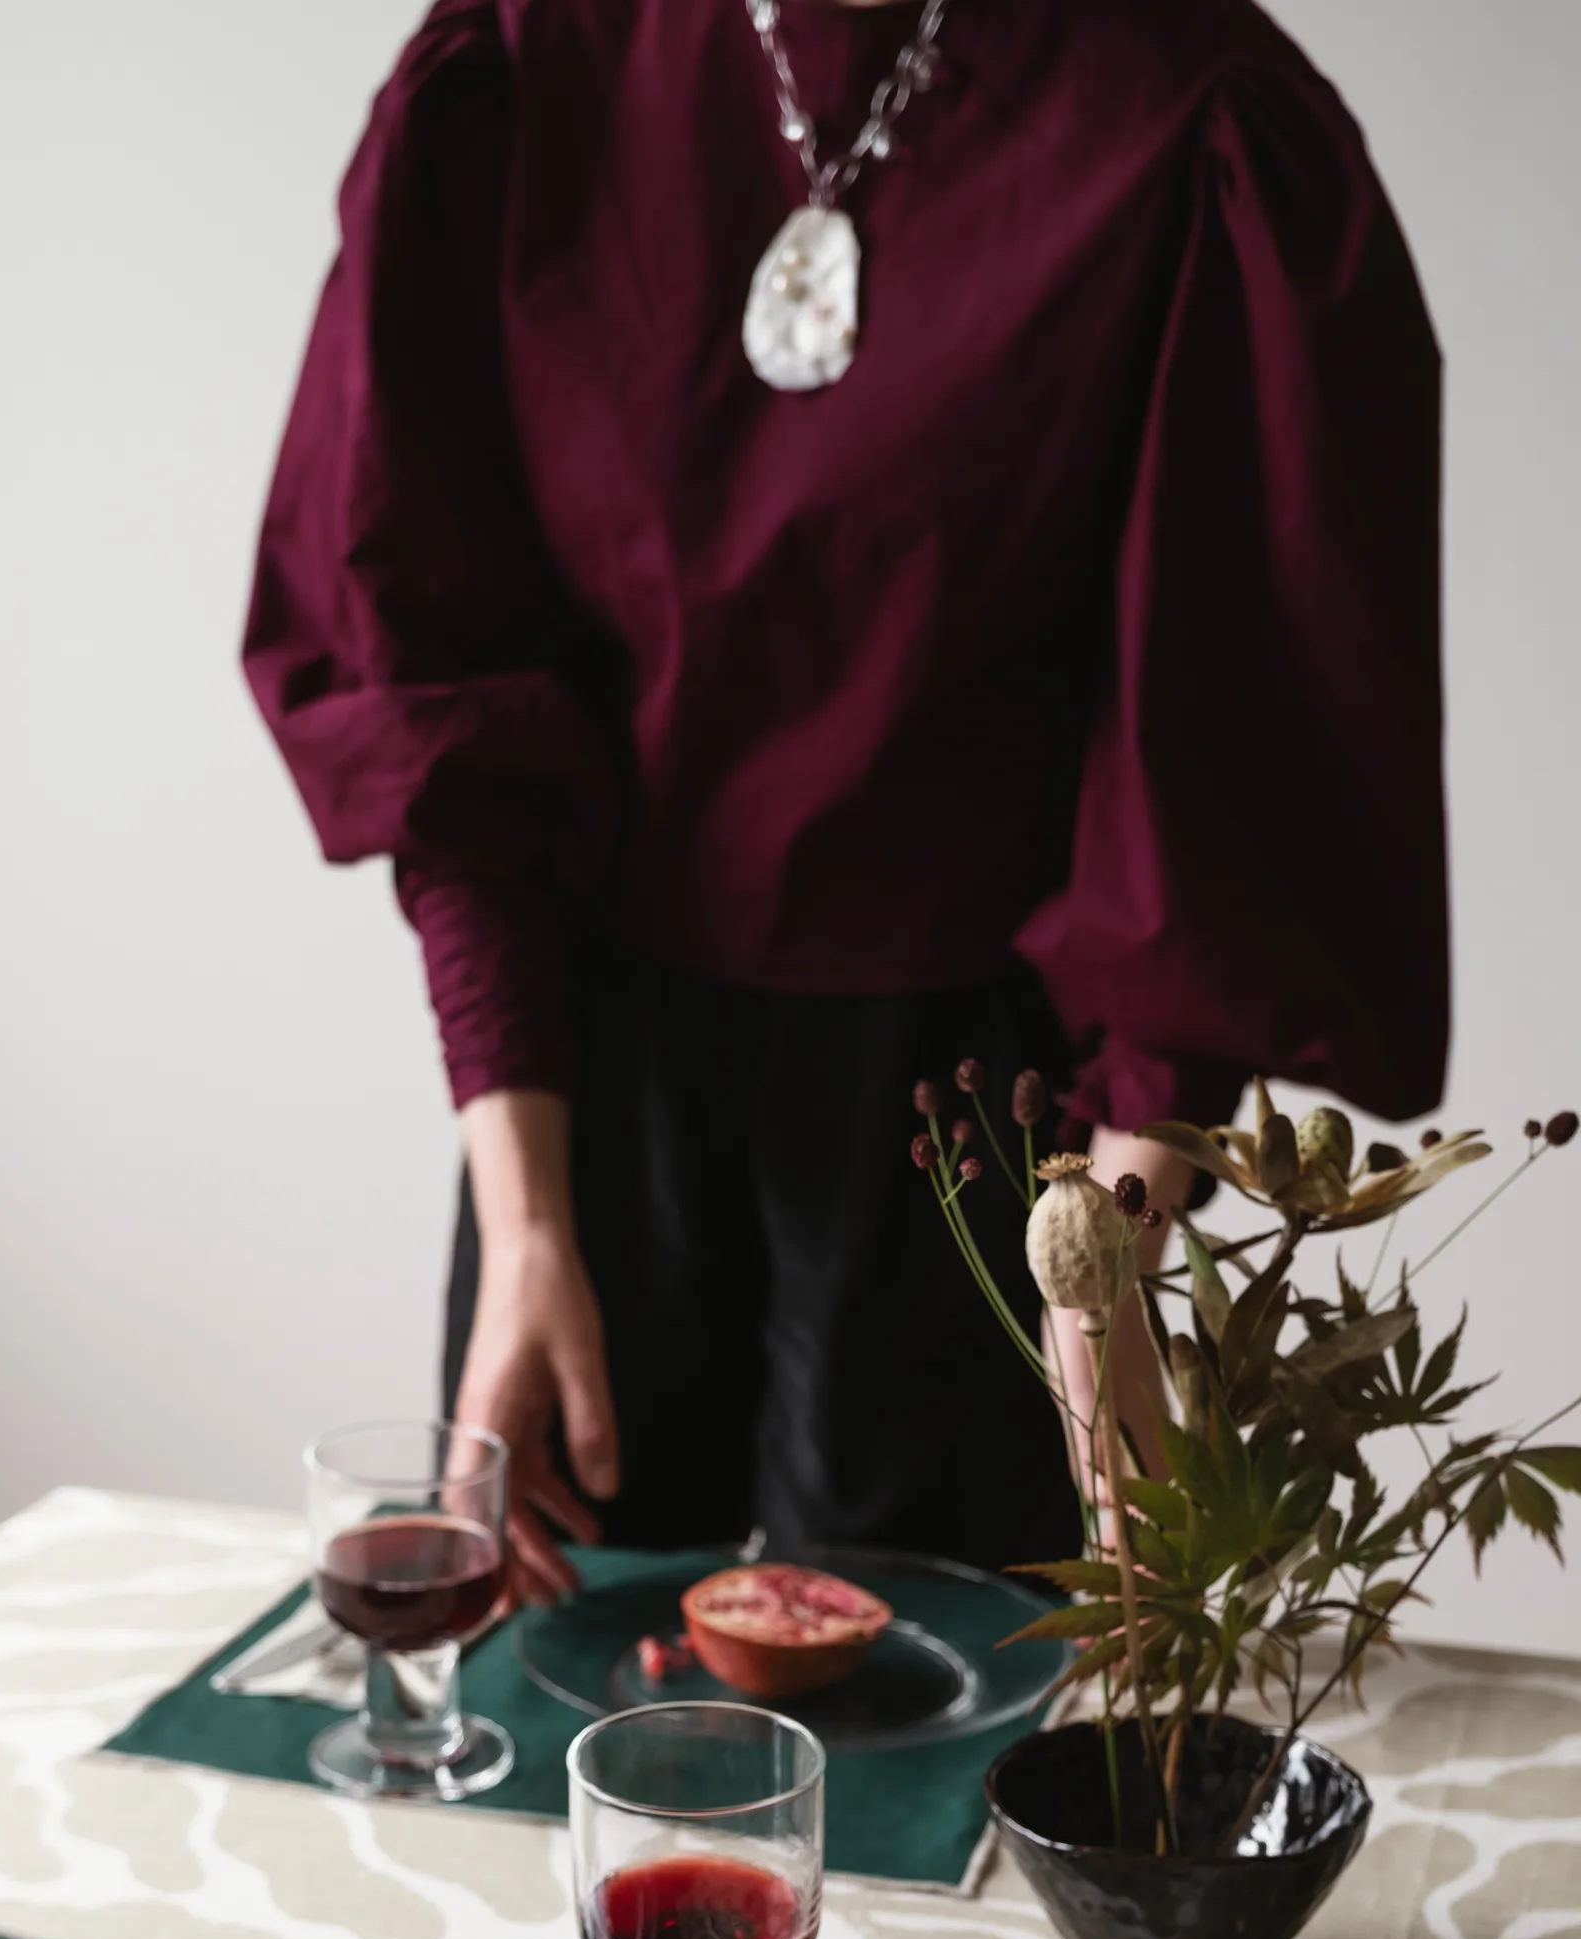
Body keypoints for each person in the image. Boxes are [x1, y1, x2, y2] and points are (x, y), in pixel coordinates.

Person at [245, 0, 1447, 1603]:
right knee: (556, 1718)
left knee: (924, 1763)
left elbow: (1225, 755)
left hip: (992, 1115)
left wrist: (1098, 1277)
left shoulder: (1190, 116)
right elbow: (435, 662)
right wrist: (527, 1227)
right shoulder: (522, 68)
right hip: (582, 1077)